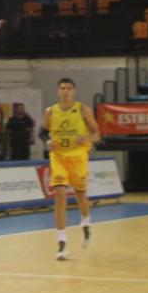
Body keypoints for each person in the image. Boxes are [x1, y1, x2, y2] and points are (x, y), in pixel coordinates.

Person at [43, 79, 98, 260]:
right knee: (59, 195)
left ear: (74, 91)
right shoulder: (50, 112)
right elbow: (42, 132)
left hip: (78, 158)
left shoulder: (83, 109)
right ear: (58, 92)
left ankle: (86, 223)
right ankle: (62, 243)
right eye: (62, 88)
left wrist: (87, 138)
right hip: (59, 157)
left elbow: (97, 133)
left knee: (80, 194)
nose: (65, 91)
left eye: (68, 88)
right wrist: (47, 141)